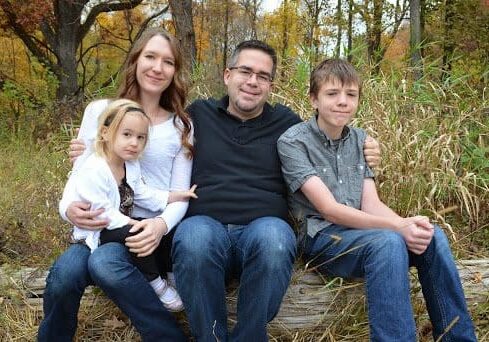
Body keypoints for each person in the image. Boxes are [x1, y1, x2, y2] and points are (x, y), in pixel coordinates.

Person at [171, 41, 382, 341]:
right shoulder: (198, 114)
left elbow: (330, 142)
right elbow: (147, 135)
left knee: (275, 238)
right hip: (206, 224)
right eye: (246, 71)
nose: (253, 81)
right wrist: (91, 148)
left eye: (263, 76)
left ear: (271, 84)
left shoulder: (286, 123)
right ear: (227, 75)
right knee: (193, 237)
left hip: (262, 227)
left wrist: (367, 147)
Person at [277, 58, 476, 341]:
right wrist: (396, 229)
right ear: (314, 99)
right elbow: (329, 210)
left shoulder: (361, 140)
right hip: (322, 239)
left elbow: (371, 204)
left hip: (362, 233)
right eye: (332, 94)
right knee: (388, 241)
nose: (342, 102)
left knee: (431, 235)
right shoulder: (294, 142)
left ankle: (459, 337)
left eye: (351, 95)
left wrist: (407, 224)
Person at [38, 28, 192, 341]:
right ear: (135, 60)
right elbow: (79, 175)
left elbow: (181, 194)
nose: (157, 67)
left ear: (175, 71)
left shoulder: (181, 126)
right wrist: (68, 209)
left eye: (168, 61)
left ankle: (167, 336)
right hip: (96, 228)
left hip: (146, 231)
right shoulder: (100, 111)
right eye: (150, 56)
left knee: (106, 263)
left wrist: (159, 226)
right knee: (65, 275)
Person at [63, 99, 197, 312]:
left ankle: (170, 274)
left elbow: (143, 194)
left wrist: (174, 196)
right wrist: (134, 223)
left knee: (159, 228)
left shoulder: (130, 164)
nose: (134, 143)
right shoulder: (95, 169)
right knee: (137, 232)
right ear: (106, 133)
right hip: (98, 230)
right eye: (127, 135)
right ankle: (156, 284)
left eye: (140, 137)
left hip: (117, 224)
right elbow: (103, 213)